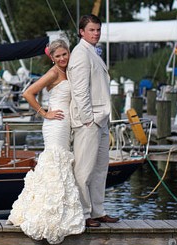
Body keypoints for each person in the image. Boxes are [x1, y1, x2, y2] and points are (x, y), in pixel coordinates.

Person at [7, 39, 84, 244]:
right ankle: (48, 212)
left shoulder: (71, 71)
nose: (62, 59)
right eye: (57, 56)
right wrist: (44, 113)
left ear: (69, 52)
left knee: (61, 164)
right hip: (55, 123)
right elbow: (27, 93)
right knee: (54, 163)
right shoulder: (53, 73)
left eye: (64, 54)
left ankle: (61, 208)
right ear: (51, 57)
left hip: (66, 123)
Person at [67, 14, 119, 227]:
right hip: (89, 121)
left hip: (101, 119)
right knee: (84, 169)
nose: (96, 33)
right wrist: (89, 119)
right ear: (81, 32)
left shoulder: (93, 53)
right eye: (91, 30)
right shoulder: (80, 54)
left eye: (98, 29)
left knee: (100, 169)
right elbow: (80, 91)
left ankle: (98, 211)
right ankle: (85, 213)